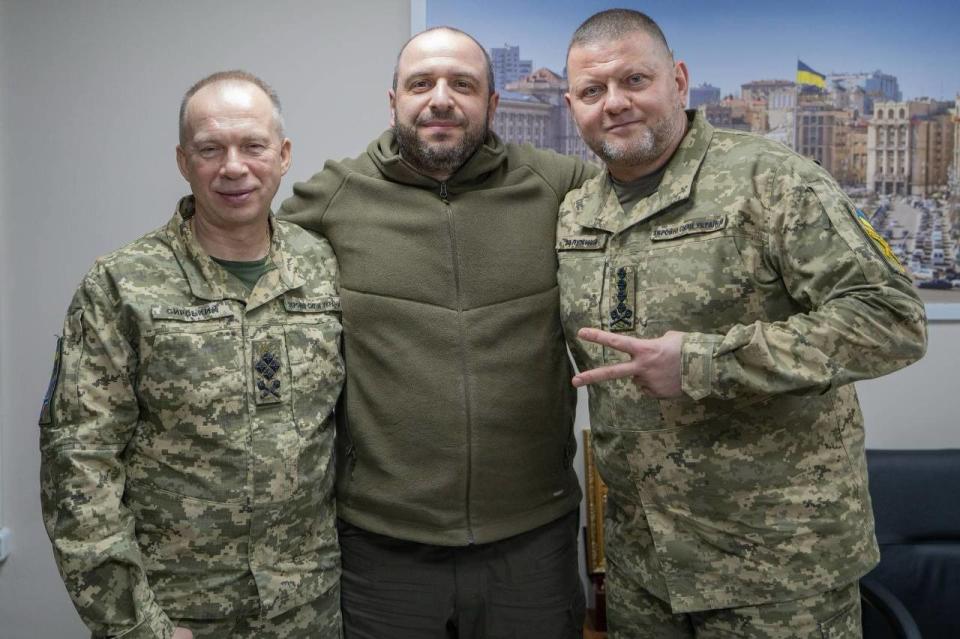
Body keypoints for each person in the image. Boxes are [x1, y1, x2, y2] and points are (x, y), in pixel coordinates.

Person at [557, 9, 927, 639]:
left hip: (778, 568)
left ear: (678, 79)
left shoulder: (772, 179)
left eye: (634, 81)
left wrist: (707, 362)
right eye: (593, 91)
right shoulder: (575, 215)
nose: (614, 104)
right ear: (573, 105)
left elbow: (892, 318)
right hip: (643, 567)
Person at [280, 26, 597, 639]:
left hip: (532, 539)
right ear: (393, 99)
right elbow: (237, 245)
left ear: (493, 104)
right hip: (385, 548)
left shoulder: (561, 187)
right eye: (421, 84)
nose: (441, 99)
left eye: (463, 84)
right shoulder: (332, 198)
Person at [40, 71, 344, 639]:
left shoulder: (323, 268)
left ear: (282, 156)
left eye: (253, 146)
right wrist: (136, 626)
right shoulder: (121, 284)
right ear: (184, 161)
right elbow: (79, 467)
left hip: (311, 607)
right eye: (211, 149)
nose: (234, 166)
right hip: (179, 613)